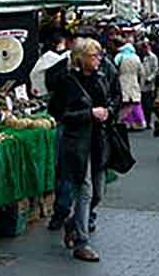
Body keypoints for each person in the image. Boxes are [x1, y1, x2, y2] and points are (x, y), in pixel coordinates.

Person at [46, 38, 112, 262]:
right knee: (85, 191)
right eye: (95, 56)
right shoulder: (67, 82)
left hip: (98, 141)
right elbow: (58, 114)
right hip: (77, 143)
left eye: (99, 55)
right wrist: (88, 114)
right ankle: (82, 243)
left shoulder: (102, 79)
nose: (99, 59)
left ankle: (72, 223)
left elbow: (113, 100)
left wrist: (108, 111)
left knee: (98, 193)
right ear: (82, 58)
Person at [114, 38, 146, 130]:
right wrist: (141, 83)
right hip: (134, 81)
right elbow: (142, 72)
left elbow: (115, 68)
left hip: (122, 81)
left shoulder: (119, 57)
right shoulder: (136, 58)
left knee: (124, 103)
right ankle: (139, 123)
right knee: (135, 103)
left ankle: (125, 122)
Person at [138, 41, 159, 129]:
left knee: (148, 105)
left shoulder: (153, 57)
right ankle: (142, 121)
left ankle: (148, 121)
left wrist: (150, 78)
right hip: (140, 84)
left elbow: (155, 70)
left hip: (148, 84)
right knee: (141, 104)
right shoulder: (139, 56)